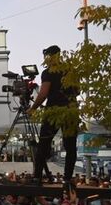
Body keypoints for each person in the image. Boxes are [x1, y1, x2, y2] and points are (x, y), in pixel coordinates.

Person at [29, 45, 78, 183]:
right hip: (71, 110)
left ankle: (37, 177)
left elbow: (43, 93)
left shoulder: (48, 72)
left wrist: (33, 108)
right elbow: (78, 90)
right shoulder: (70, 69)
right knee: (70, 146)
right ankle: (67, 179)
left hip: (53, 111)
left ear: (50, 56)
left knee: (44, 143)